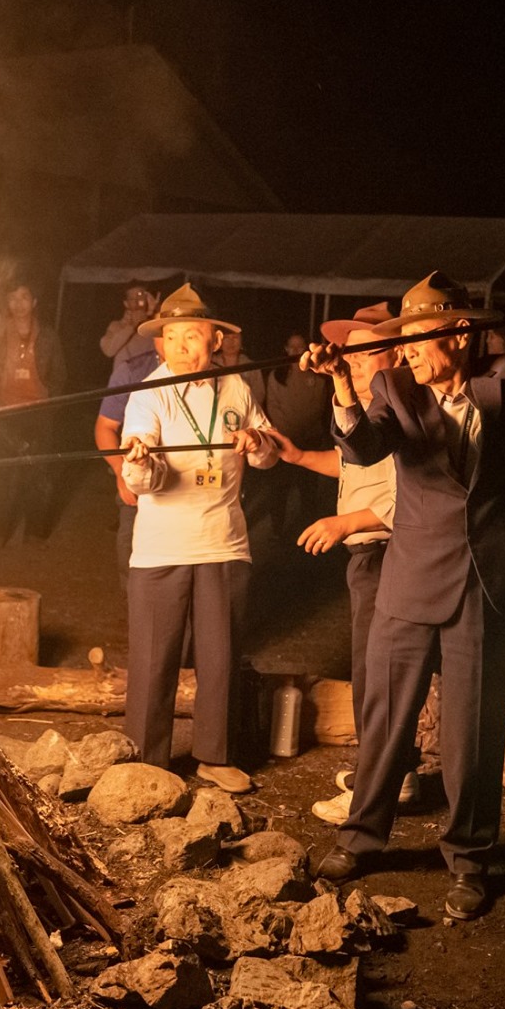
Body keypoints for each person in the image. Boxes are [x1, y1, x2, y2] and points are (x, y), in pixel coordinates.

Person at [302, 272, 505, 920]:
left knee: (473, 729)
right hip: (412, 576)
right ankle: (362, 836)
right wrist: (340, 384)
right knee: (387, 717)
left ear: (456, 336)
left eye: (416, 339)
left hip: (485, 580)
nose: (406, 352)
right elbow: (364, 448)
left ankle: (469, 857)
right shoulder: (393, 388)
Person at [119, 284, 279, 795]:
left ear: (214, 339)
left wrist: (257, 444)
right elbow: (142, 482)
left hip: (224, 542)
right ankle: (148, 761)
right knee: (153, 659)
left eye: (194, 335)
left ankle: (215, 756)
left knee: (220, 657)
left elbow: (270, 452)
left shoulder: (236, 389)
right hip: (161, 547)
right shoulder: (148, 393)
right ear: (160, 345)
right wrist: (143, 461)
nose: (184, 346)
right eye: (173, 337)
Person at [260, 304, 412, 825]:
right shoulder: (365, 408)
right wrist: (298, 456)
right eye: (353, 351)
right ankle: (394, 773)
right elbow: (354, 467)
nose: (359, 360)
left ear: (397, 351)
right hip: (367, 552)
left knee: (380, 670)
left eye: (371, 349)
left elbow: (409, 496)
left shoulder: (404, 407)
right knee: (375, 668)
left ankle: (378, 787)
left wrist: (344, 523)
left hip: (388, 552)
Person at [0, 283, 66, 546]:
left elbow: (61, 374)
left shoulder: (48, 336)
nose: (18, 304)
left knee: (39, 474)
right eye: (13, 298)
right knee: (4, 473)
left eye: (24, 297)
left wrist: (49, 399)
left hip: (38, 412)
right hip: (6, 411)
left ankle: (35, 532)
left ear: (34, 301)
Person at [93, 289, 166, 585]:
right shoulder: (133, 361)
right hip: (130, 431)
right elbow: (104, 427)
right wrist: (120, 475)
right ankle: (133, 593)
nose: (172, 339)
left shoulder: (210, 373)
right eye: (162, 332)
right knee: (131, 530)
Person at [246, 333, 337, 565]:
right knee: (279, 489)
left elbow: (319, 405)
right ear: (286, 349)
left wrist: (307, 429)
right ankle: (277, 530)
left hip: (310, 440)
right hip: (284, 441)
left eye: (301, 346)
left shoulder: (316, 375)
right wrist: (284, 433)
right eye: (292, 346)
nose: (297, 349)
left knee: (308, 488)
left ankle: (307, 532)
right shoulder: (278, 375)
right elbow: (272, 405)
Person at [98, 283, 161, 365]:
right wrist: (131, 326)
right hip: (125, 376)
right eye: (132, 299)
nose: (137, 302)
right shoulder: (117, 326)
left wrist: (157, 309)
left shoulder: (153, 325)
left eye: (140, 297)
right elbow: (108, 350)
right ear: (126, 303)